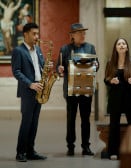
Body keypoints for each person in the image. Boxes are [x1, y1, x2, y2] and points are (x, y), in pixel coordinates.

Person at [57, 23, 99, 156]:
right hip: (71, 90)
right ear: (72, 35)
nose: (83, 35)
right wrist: (59, 69)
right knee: (71, 119)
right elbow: (59, 67)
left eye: (83, 33)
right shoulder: (65, 49)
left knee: (86, 119)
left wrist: (96, 65)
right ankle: (70, 145)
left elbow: (96, 65)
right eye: (80, 33)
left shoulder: (90, 47)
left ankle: (86, 146)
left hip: (86, 88)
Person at [11, 22, 48, 162]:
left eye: (38, 33)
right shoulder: (18, 51)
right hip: (28, 91)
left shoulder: (38, 49)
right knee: (26, 122)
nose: (37, 36)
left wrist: (47, 66)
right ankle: (20, 152)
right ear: (25, 34)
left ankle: (30, 151)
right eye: (34, 34)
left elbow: (41, 66)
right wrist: (30, 84)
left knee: (34, 122)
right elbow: (17, 72)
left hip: (39, 89)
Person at [104, 38, 131, 160]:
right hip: (115, 98)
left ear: (127, 47)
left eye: (123, 43)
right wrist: (111, 81)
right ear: (115, 47)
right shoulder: (110, 62)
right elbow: (106, 79)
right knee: (114, 125)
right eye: (119, 44)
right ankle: (113, 151)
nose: (121, 45)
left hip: (130, 98)